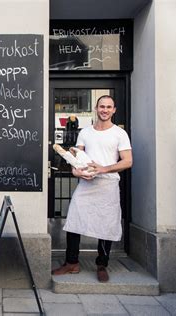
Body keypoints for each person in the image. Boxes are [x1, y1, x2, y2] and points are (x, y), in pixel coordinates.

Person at [52, 95, 133, 282]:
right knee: (74, 218)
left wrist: (104, 168)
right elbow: (76, 156)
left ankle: (102, 264)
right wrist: (76, 172)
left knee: (106, 224)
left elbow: (128, 161)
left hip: (108, 184)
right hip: (86, 184)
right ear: (96, 109)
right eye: (102, 106)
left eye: (108, 107)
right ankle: (71, 263)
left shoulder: (120, 134)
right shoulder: (85, 132)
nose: (105, 110)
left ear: (114, 110)